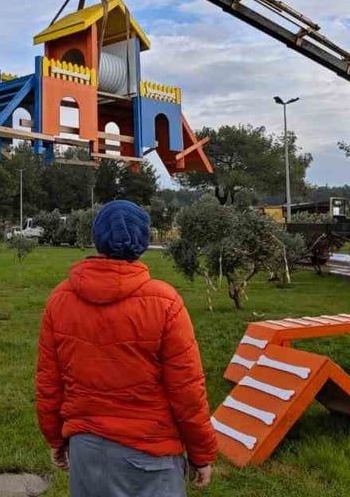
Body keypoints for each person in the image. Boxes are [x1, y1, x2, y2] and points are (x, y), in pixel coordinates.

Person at [35, 200, 216, 496]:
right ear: (143, 242)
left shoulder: (60, 299)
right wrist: (201, 452)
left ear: (97, 238)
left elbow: (48, 383)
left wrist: (56, 439)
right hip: (150, 456)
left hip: (86, 450)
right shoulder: (165, 303)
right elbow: (187, 391)